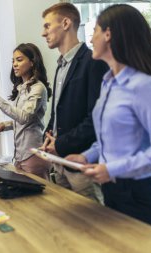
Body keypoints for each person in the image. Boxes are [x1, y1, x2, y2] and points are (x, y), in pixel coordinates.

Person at [66, 4, 151, 229]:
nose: (91, 39)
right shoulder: (108, 83)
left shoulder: (144, 86)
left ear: (108, 34)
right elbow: (111, 138)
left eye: (94, 31)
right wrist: (88, 155)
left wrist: (112, 169)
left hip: (139, 198)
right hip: (112, 193)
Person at [40, 3, 108, 200]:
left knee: (93, 227)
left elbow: (94, 119)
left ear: (66, 23)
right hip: (60, 163)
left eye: (47, 26)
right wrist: (48, 135)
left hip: (82, 165)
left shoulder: (92, 61)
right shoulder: (60, 65)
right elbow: (57, 112)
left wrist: (60, 144)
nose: (43, 33)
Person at [0, 43, 52, 179]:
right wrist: (5, 125)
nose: (14, 64)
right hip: (20, 156)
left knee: (38, 199)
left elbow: (24, 117)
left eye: (19, 60)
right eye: (13, 61)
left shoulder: (38, 88)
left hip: (33, 155)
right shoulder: (22, 88)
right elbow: (23, 119)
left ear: (32, 62)